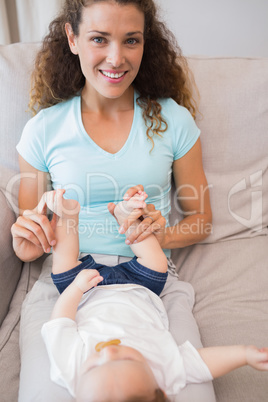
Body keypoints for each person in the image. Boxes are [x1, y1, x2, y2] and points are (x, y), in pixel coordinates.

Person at [12, 0, 215, 400]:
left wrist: (158, 235)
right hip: (66, 284)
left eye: (131, 40)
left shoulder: (173, 120)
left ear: (145, 43)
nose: (116, 58)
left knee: (192, 392)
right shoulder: (43, 130)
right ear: (72, 39)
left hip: (152, 284)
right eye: (99, 39)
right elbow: (33, 229)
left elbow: (202, 218)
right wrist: (28, 242)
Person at [40, 189, 268, 402]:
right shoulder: (164, 369)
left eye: (93, 367)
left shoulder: (69, 370)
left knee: (63, 266)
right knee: (156, 263)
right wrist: (244, 355)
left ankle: (67, 214)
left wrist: (76, 289)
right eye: (127, 359)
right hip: (140, 289)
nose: (108, 350)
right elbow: (203, 363)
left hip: (86, 293)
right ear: (160, 387)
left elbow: (60, 321)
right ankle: (127, 217)